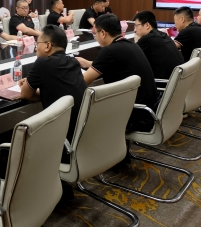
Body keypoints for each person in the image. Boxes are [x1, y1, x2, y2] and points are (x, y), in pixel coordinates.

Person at [76, 14, 158, 132]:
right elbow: (116, 63)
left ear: (103, 33)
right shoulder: (130, 45)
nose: (95, 37)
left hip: (134, 115)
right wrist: (89, 63)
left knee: (82, 110)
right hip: (148, 109)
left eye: (95, 33)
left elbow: (83, 81)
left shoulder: (108, 51)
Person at [18, 25, 85, 163]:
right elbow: (60, 87)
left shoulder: (42, 63)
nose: (36, 48)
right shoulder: (73, 61)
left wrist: (35, 88)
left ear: (48, 46)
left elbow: (25, 95)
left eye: (38, 43)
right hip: (81, 133)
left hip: (61, 138)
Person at [133, 11, 184, 80]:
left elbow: (131, 57)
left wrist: (137, 40)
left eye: (136, 26)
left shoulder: (147, 39)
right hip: (178, 80)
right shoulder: (163, 35)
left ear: (147, 25)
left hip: (163, 83)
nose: (134, 30)